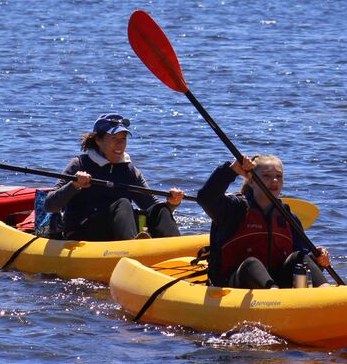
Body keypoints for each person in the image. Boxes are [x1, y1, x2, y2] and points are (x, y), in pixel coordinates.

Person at [197, 154, 331, 289]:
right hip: (235, 283)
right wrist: (231, 170)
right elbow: (205, 198)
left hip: (277, 281)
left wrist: (317, 259)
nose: (274, 180)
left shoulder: (288, 217)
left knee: (300, 257)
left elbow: (302, 253)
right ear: (251, 181)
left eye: (279, 176)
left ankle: (326, 293)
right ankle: (273, 295)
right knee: (251, 263)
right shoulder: (233, 209)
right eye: (267, 176)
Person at [44, 113, 183, 241]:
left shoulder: (129, 170)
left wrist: (172, 203)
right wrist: (74, 185)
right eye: (114, 138)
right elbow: (50, 205)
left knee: (160, 209)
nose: (120, 144)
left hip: (117, 231)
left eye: (123, 139)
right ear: (98, 140)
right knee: (122, 204)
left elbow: (151, 206)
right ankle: (132, 251)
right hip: (83, 232)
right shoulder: (80, 164)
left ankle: (177, 252)